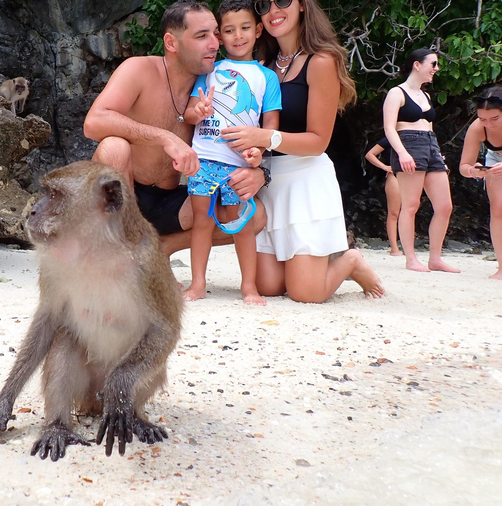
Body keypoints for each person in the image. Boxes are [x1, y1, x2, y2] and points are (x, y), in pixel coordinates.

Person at [198, 0, 384, 303]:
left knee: (305, 293)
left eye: (283, 1)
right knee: (268, 286)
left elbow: (318, 141)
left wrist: (263, 136)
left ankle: (351, 261)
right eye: (264, 4)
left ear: (302, 6)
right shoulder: (262, 66)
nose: (274, 10)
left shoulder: (321, 61)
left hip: (305, 180)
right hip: (268, 181)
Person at [82, 0, 269, 258]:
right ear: (171, 43)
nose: (215, 43)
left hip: (172, 203)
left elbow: (252, 136)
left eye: (215, 33)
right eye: (202, 36)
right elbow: (93, 123)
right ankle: (116, 254)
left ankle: (160, 250)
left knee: (254, 215)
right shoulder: (140, 69)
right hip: (125, 194)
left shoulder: (222, 81)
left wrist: (260, 171)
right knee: (114, 147)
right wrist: (164, 138)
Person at [181, 0, 281, 304]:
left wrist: (257, 156)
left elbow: (270, 129)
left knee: (242, 225)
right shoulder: (209, 69)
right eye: (229, 30)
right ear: (220, 36)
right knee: (202, 221)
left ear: (259, 30)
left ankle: (248, 286)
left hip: (238, 165)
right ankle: (197, 283)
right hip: (204, 160)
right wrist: (199, 110)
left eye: (245, 28)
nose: (238, 36)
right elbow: (187, 113)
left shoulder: (267, 78)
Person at [382, 48, 459, 273]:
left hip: (430, 144)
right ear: (417, 65)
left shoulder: (425, 95)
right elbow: (389, 127)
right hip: (408, 143)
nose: (436, 69)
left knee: (445, 206)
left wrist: (436, 151)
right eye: (433, 64)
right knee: (411, 205)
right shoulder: (396, 93)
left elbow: (430, 127)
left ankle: (435, 258)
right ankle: (411, 258)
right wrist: (402, 153)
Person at [458, 86, 502, 280]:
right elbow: (463, 166)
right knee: (498, 209)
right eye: (483, 119)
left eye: (495, 119)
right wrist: (473, 171)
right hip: (494, 159)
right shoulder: (477, 128)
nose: (489, 124)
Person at [364, 136, 402, 255]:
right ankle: (394, 248)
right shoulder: (391, 138)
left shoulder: (418, 136)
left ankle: (407, 248)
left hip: (412, 176)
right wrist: (384, 167)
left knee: (410, 211)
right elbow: (370, 154)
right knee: (394, 212)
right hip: (394, 174)